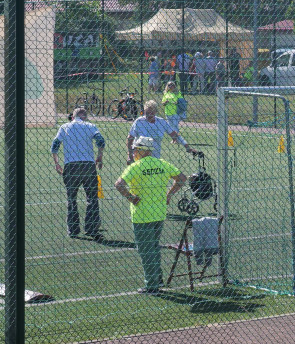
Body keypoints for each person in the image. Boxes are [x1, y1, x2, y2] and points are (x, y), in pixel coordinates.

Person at [115, 135, 187, 294]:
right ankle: (157, 278)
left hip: (141, 215)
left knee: (146, 250)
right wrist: (169, 194)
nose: (133, 152)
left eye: (135, 149)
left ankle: (152, 285)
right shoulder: (162, 163)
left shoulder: (136, 167)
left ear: (141, 150)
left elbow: (119, 184)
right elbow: (182, 178)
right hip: (159, 213)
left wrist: (131, 198)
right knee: (154, 246)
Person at [51, 107, 106, 241]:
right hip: (88, 165)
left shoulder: (64, 127)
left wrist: (57, 163)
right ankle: (91, 228)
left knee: (71, 199)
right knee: (92, 198)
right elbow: (101, 141)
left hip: (71, 166)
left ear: (73, 116)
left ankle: (73, 229)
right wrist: (99, 156)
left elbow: (55, 145)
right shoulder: (90, 126)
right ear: (84, 116)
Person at [127, 100, 196, 163]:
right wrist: (130, 156)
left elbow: (175, 135)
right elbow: (130, 138)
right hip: (139, 158)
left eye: (152, 112)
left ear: (156, 112)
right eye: (147, 112)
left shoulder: (161, 122)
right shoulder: (139, 122)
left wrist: (188, 148)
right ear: (144, 111)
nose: (149, 115)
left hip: (155, 158)